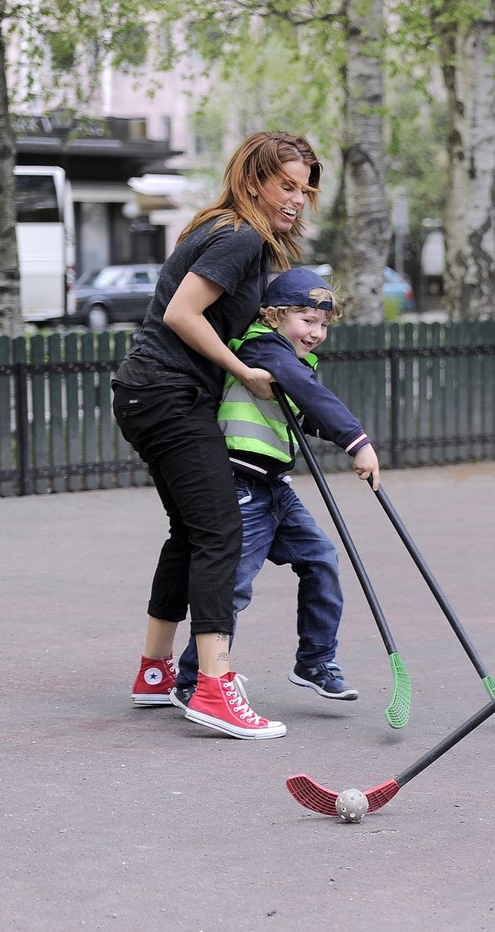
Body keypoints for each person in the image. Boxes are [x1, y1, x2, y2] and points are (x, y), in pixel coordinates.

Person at [115, 131, 322, 740]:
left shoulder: (233, 233)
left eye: (304, 188)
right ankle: (213, 687)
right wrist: (245, 373)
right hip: (168, 394)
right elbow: (182, 314)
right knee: (220, 531)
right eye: (286, 184)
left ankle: (155, 672)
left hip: (147, 393)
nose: (296, 199)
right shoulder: (239, 234)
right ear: (254, 178)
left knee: (190, 531)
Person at [170, 267, 380, 711]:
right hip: (241, 484)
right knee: (234, 586)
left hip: (274, 487)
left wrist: (336, 435)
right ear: (272, 315)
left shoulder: (291, 362)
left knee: (320, 557)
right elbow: (303, 391)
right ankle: (193, 678)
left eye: (323, 324)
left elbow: (303, 412)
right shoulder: (264, 346)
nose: (317, 332)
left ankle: (315, 662)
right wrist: (356, 441)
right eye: (307, 320)